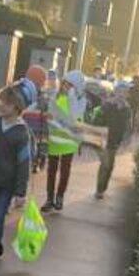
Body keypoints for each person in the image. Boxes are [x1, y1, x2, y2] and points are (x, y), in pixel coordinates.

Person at [0, 78, 35, 274]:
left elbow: (24, 164)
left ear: (18, 106)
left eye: (8, 103)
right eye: (2, 101)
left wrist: (20, 193)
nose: (3, 105)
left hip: (7, 184)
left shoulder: (22, 132)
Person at [43, 69, 87, 213]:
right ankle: (49, 199)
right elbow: (51, 115)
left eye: (70, 85)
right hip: (55, 136)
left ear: (77, 87)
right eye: (65, 83)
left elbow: (75, 116)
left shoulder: (81, 100)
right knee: (52, 169)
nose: (66, 87)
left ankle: (60, 197)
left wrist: (72, 98)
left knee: (65, 168)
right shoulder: (55, 96)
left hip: (70, 138)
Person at [22, 64, 50, 174]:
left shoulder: (43, 100)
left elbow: (45, 129)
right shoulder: (44, 100)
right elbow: (45, 130)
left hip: (29, 141)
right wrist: (43, 153)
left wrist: (42, 153)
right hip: (30, 140)